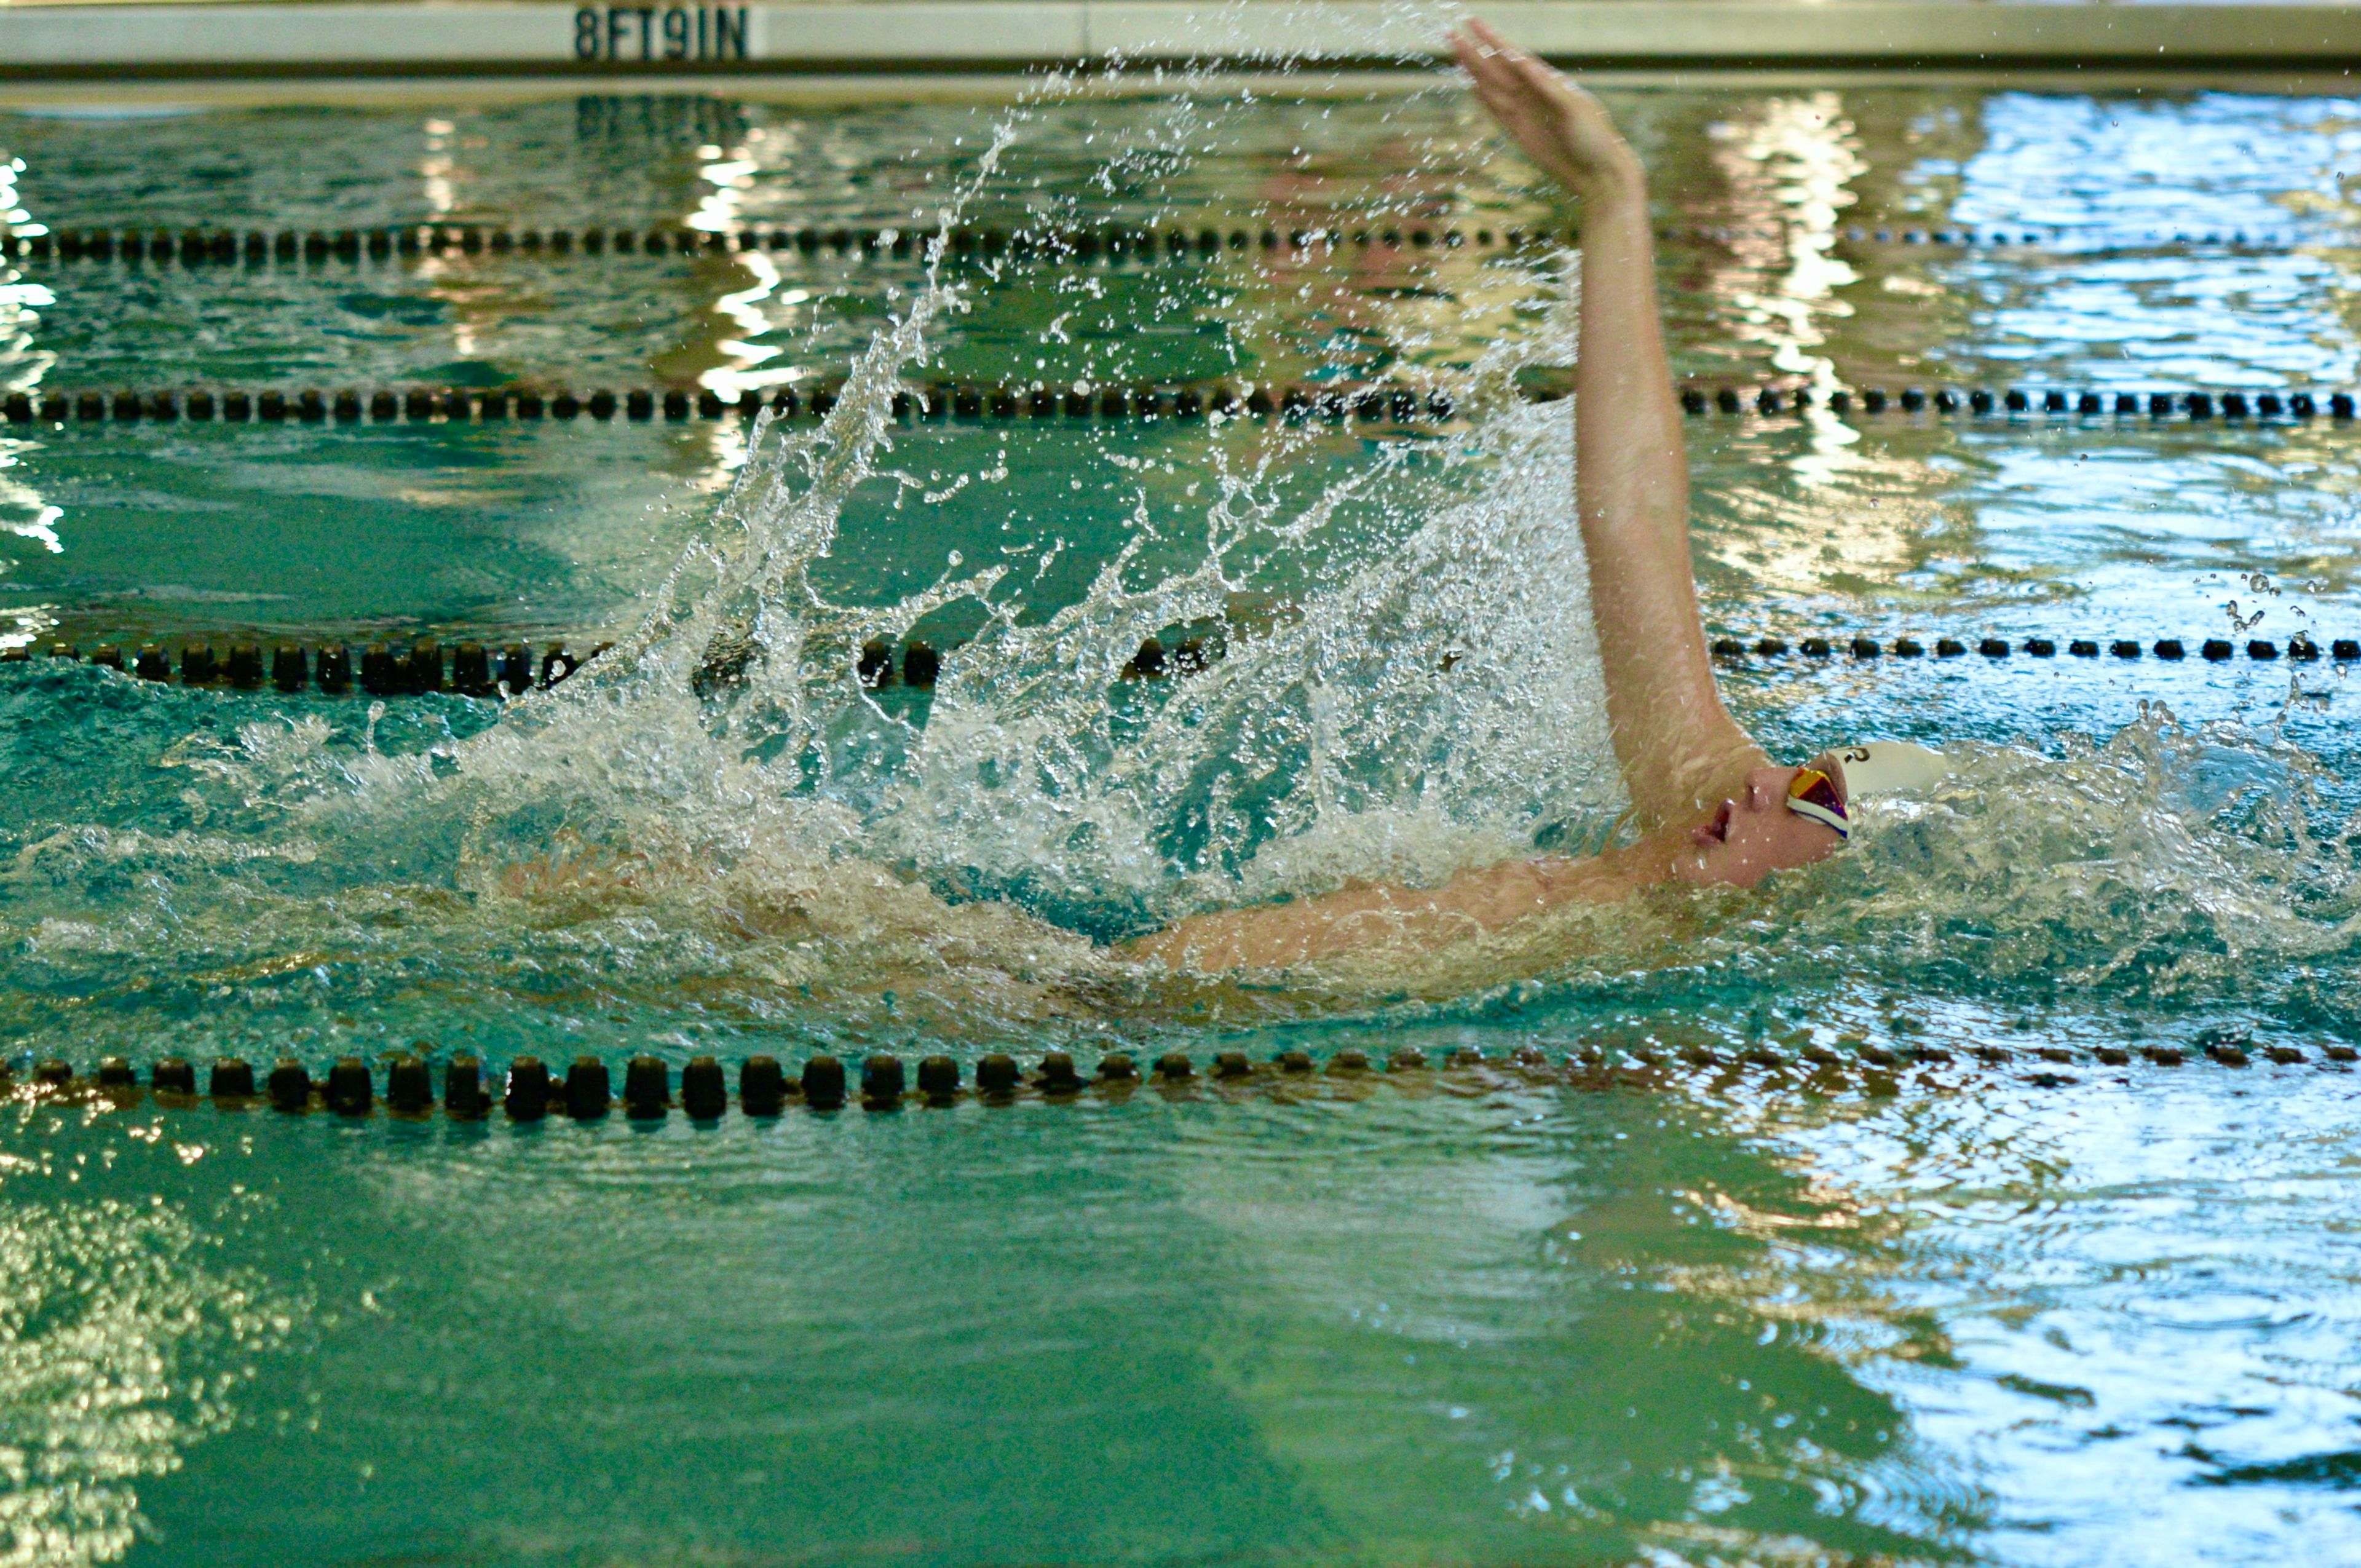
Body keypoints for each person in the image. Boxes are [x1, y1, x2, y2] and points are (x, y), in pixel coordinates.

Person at [1125, 20, 1948, 973]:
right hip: (1159, 981)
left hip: (1180, 1014)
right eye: (1803, 770)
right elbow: (1633, 510)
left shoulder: (1684, 963)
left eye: (1817, 798)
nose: (1769, 787)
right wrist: (1612, 195)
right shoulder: (1701, 798)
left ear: (1851, 879)